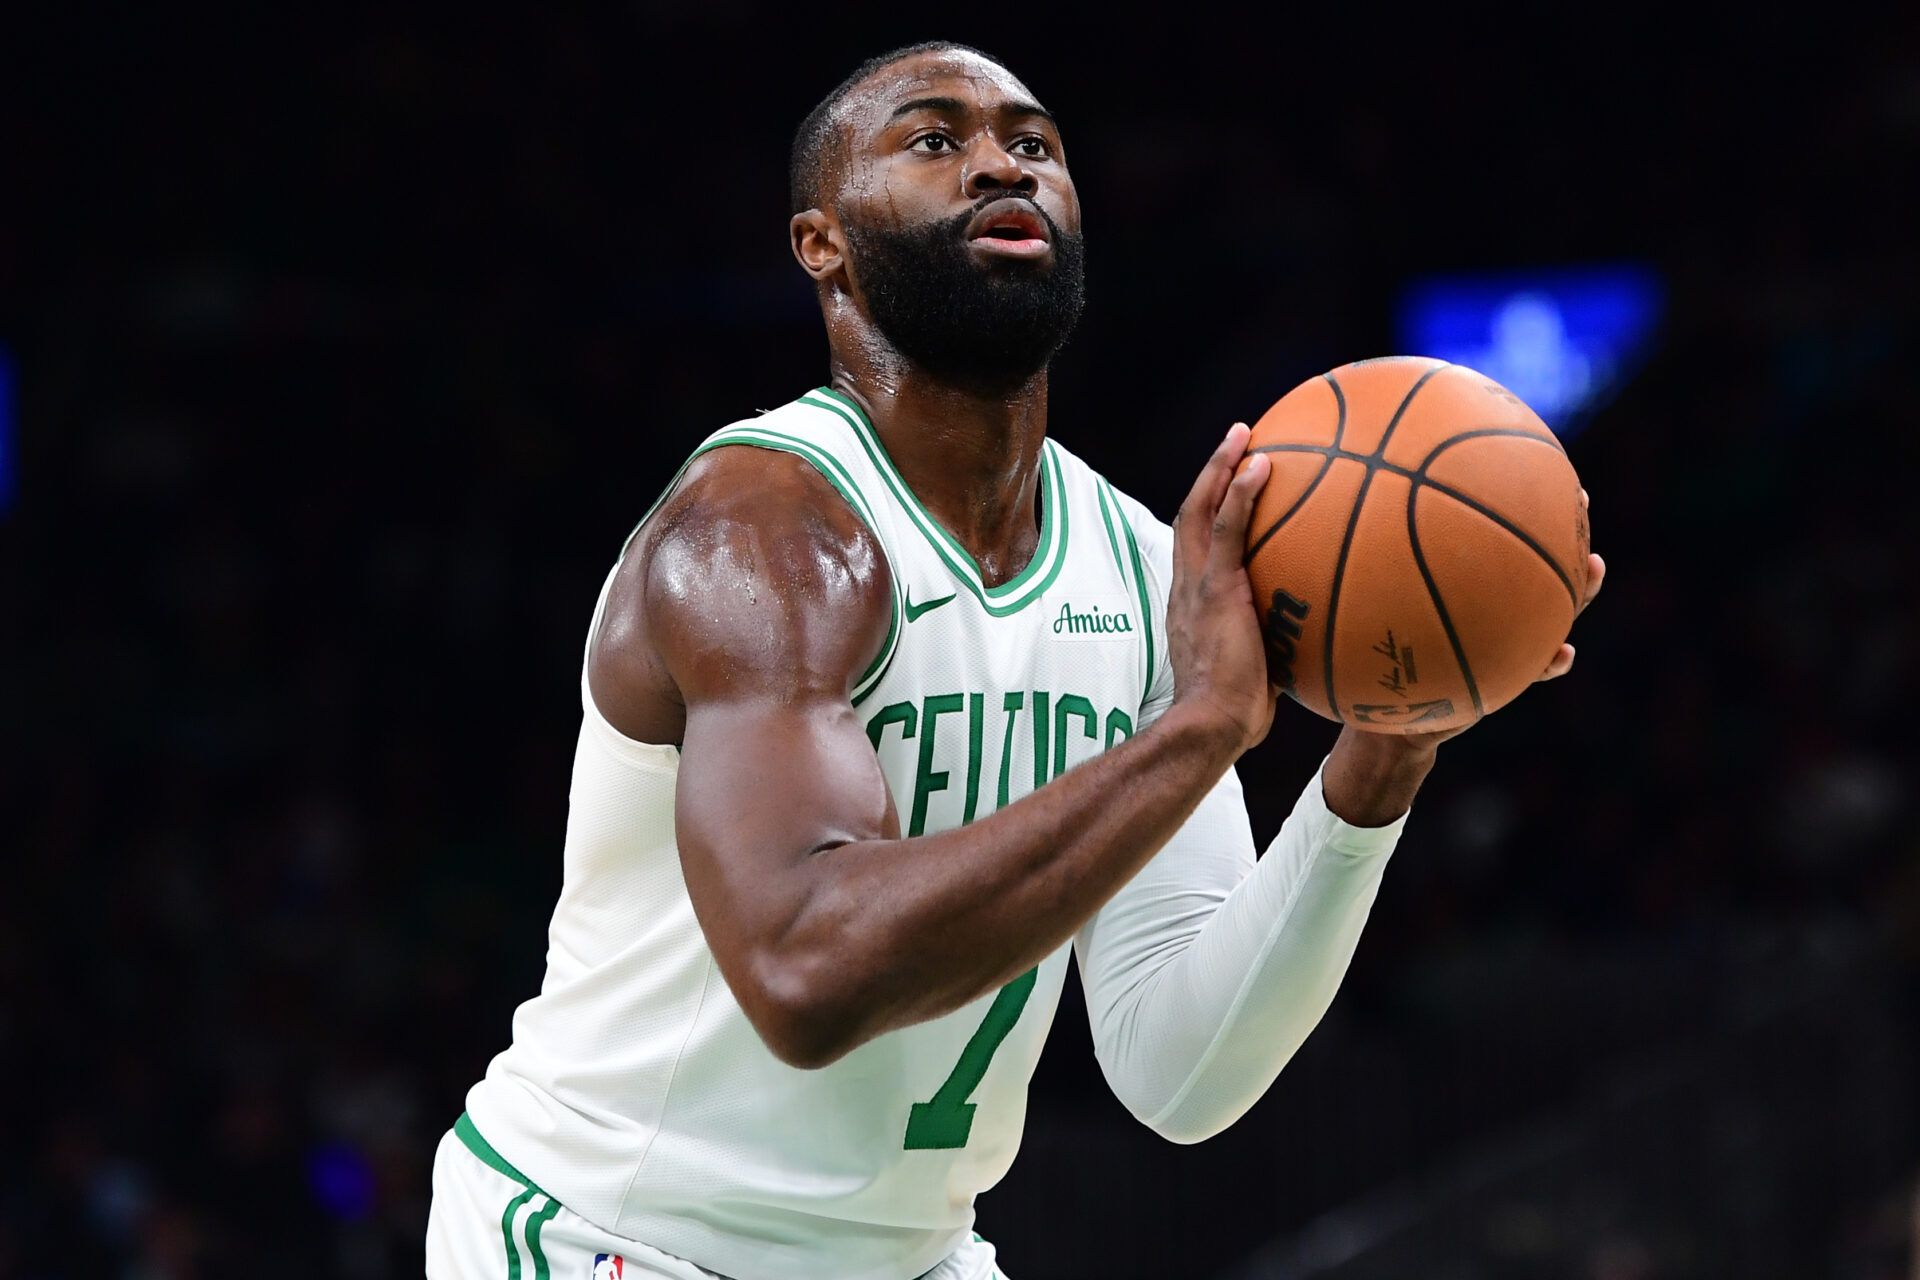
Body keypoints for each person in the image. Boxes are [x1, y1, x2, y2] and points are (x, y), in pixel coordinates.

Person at [425, 39, 1603, 1280]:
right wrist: (1201, 724)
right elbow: (802, 968)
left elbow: (1179, 1067)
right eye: (936, 141)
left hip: (915, 1255)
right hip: (618, 1236)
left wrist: (1385, 751)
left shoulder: (1145, 569)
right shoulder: (763, 537)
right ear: (820, 243)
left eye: (1035, 143)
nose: (1002, 162)